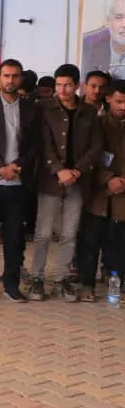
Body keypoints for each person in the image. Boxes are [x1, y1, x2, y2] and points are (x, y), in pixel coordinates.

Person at [0, 59, 42, 302]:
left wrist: (18, 167)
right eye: (6, 75)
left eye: (15, 76)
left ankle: (11, 284)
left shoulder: (32, 107)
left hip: (18, 183)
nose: (10, 80)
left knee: (15, 237)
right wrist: (0, 168)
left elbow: (35, 144)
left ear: (21, 78)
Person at [29, 64, 100, 301]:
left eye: (68, 84)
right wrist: (59, 170)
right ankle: (37, 278)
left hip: (78, 182)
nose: (62, 89)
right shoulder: (45, 109)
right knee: (43, 233)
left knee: (69, 233)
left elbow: (96, 147)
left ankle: (62, 280)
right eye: (59, 85)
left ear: (77, 86)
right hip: (51, 180)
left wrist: (77, 171)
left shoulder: (88, 112)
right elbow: (43, 143)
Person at [81, 80, 125, 301]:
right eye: (118, 101)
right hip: (98, 194)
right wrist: (108, 179)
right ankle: (86, 284)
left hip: (123, 196)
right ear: (108, 99)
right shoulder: (96, 124)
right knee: (91, 241)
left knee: (119, 244)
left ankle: (118, 285)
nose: (123, 107)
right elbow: (89, 157)